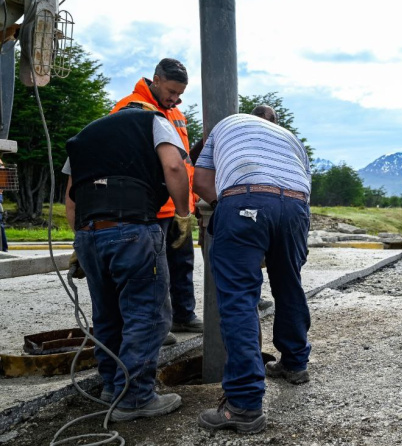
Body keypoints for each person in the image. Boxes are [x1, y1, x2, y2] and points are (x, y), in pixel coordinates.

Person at [63, 101, 192, 421]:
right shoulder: (153, 121)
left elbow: (71, 198)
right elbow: (174, 166)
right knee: (147, 314)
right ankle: (135, 397)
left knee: (107, 315)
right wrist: (183, 214)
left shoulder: (84, 136)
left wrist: (81, 240)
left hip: (89, 233)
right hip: (132, 228)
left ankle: (112, 388)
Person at [193, 112, 311, 434]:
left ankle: (244, 404)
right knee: (289, 285)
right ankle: (295, 363)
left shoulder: (224, 126)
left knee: (239, 298)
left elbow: (200, 180)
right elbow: (304, 188)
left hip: (244, 199)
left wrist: (225, 207)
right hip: (295, 205)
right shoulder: (289, 137)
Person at [111, 58, 202, 337]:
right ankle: (157, 327)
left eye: (180, 94)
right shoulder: (130, 108)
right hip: (149, 208)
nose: (174, 98)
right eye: (171, 92)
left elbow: (183, 163)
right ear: (156, 80)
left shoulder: (175, 113)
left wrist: (188, 204)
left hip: (178, 205)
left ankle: (183, 316)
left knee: (182, 264)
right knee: (153, 272)